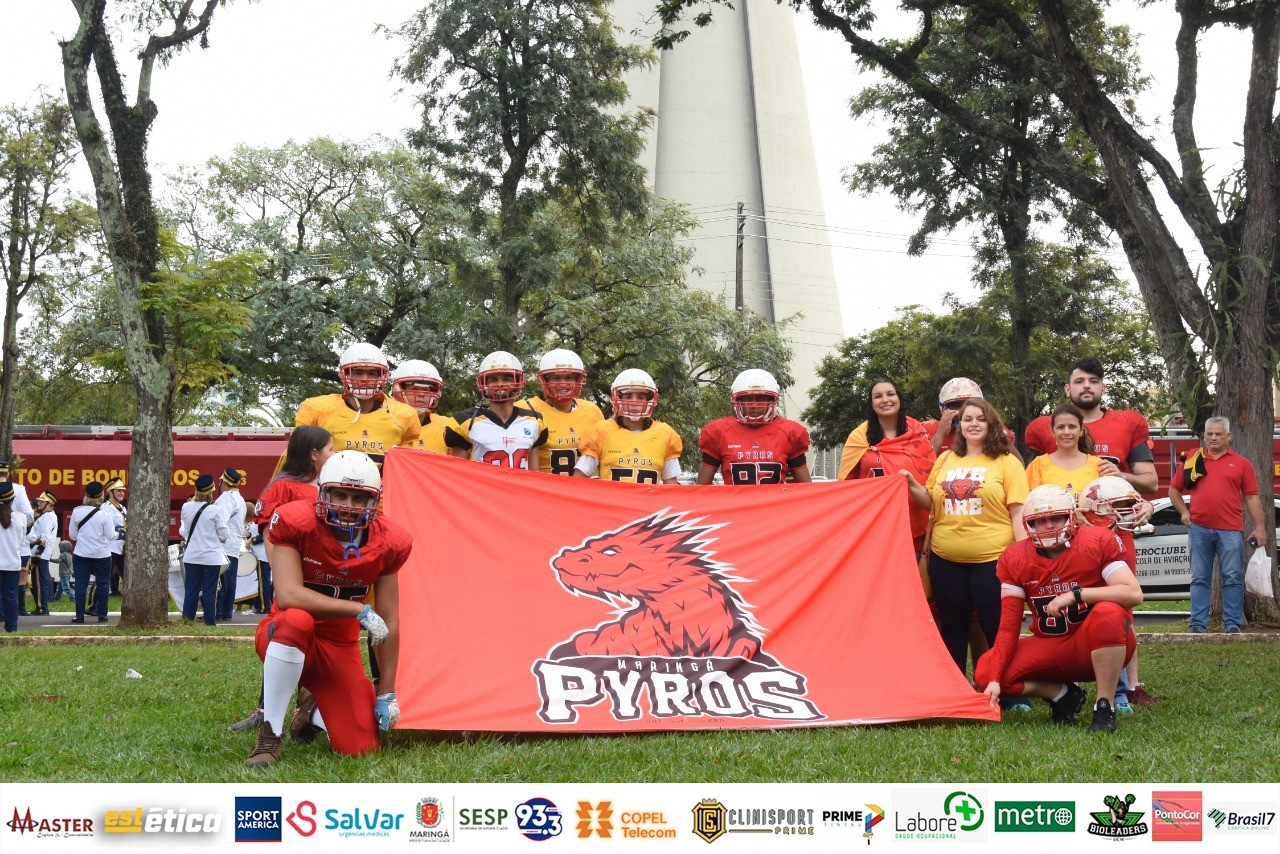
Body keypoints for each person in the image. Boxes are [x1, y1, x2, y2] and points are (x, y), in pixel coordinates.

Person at [245, 451, 412, 767]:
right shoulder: (296, 521)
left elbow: (390, 618)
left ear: (373, 501)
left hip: (339, 646)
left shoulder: (390, 540)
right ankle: (271, 734)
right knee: (297, 620)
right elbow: (290, 594)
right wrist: (356, 611)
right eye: (340, 494)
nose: (348, 506)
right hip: (284, 633)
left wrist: (387, 691)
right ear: (323, 492)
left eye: (359, 498)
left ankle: (313, 712)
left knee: (360, 747)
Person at [975, 484, 1144, 732]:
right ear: (1028, 525)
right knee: (986, 672)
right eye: (1041, 521)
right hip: (1052, 644)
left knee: (1109, 612)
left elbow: (1133, 593)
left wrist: (1077, 595)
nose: (1050, 526)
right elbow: (1009, 626)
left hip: (1098, 642)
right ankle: (1063, 695)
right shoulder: (1015, 558)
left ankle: (1104, 705)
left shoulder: (1096, 541)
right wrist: (995, 680)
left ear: (1071, 517)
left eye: (1057, 518)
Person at [903, 398, 1028, 675]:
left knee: (996, 627)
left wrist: (1023, 557)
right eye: (967, 419)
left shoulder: (1007, 462)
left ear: (992, 424)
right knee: (952, 628)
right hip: (945, 560)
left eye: (980, 419)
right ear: (959, 426)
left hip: (994, 561)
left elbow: (1017, 512)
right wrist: (912, 484)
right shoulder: (946, 458)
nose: (973, 424)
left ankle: (1010, 691)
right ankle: (956, 690)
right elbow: (931, 502)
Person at [229, 426, 334, 732]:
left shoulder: (328, 484)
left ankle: (310, 706)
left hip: (324, 577)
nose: (333, 454)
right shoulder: (283, 486)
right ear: (313, 454)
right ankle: (265, 710)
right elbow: (269, 532)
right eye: (329, 449)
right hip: (294, 580)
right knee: (284, 637)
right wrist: (283, 573)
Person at [1169, 416, 1266, 634]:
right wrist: (1184, 512)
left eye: (1218, 434)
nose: (1213, 438)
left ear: (1228, 436)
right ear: (1204, 435)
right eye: (1209, 434)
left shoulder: (1242, 463)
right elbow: (1173, 490)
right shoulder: (1193, 459)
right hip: (1199, 529)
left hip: (1231, 530)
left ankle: (1232, 624)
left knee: (1232, 577)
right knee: (1199, 578)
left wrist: (1260, 527)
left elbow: (1251, 497)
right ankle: (1198, 625)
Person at [1024, 356, 1158, 495]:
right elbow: (1029, 487)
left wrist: (1121, 476)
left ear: (1103, 388)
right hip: (1060, 513)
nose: (1086, 385)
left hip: (1111, 512)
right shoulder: (1043, 427)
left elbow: (1151, 484)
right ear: (1068, 389)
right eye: (1079, 381)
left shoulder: (1128, 424)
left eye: (1093, 381)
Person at [1079, 474, 1155, 708]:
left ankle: (1121, 691)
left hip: (1112, 536)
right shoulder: (1043, 463)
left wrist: (1148, 504)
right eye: (1119, 509)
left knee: (1119, 615)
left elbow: (1145, 486)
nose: (1067, 433)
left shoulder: (1098, 464)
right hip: (1080, 537)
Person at [836, 377, 932, 550]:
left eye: (890, 394)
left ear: (899, 399)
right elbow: (847, 485)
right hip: (874, 525)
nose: (885, 400)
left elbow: (931, 473)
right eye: (878, 396)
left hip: (915, 527)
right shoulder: (859, 437)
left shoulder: (916, 430)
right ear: (871, 403)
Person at [295, 342, 420, 467]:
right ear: (344, 375)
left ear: (382, 376)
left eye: (372, 373)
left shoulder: (404, 414)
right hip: (330, 484)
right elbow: (299, 460)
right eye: (358, 372)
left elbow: (408, 465)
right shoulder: (318, 409)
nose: (365, 379)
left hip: (384, 484)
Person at [698, 369, 812, 486]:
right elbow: (701, 489)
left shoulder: (790, 432)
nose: (754, 405)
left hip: (774, 503)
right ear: (737, 401)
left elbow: (807, 489)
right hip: (736, 503)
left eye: (760, 398)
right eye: (748, 399)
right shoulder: (719, 432)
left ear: (773, 401)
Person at [575, 369, 682, 484]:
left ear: (650, 399)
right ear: (617, 398)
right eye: (628, 396)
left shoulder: (665, 434)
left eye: (640, 397)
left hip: (647, 502)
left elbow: (671, 486)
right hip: (612, 501)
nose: (634, 402)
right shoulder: (601, 431)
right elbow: (578, 480)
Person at [445, 351, 547, 469]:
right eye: (493, 380)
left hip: (519, 487)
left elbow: (535, 474)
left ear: (519, 381)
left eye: (507, 378)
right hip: (482, 487)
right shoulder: (465, 422)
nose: (500, 384)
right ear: (483, 384)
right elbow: (458, 474)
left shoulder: (534, 421)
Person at [528, 349, 605, 476]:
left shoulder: (592, 411)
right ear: (544, 381)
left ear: (578, 380)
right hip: (544, 490)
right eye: (556, 378)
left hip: (579, 492)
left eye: (569, 377)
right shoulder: (528, 410)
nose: (563, 383)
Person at [180, 474, 230, 626]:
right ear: (211, 491)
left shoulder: (186, 507)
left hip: (191, 555)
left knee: (191, 591)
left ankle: (187, 621)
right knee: (209, 591)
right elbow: (224, 534)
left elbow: (184, 531)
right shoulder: (217, 510)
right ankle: (209, 622)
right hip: (211, 556)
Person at [68, 481, 120, 624]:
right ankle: (102, 615)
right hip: (102, 555)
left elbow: (72, 535)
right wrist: (118, 534)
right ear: (101, 496)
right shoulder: (104, 514)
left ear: (85, 495)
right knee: (103, 584)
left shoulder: (77, 511)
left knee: (81, 585)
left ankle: (79, 616)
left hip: (81, 554)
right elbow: (110, 536)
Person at [1025, 404, 1102, 500]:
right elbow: (1028, 505)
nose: (1066, 432)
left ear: (1081, 430)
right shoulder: (1038, 465)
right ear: (1052, 432)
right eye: (1061, 427)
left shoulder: (1098, 465)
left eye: (1072, 427)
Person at [390, 359, 456, 454]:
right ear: (397, 389)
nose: (421, 394)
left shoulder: (447, 427)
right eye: (414, 389)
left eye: (426, 390)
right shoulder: (384, 421)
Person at [215, 468, 248, 621]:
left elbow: (221, 519)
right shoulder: (240, 499)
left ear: (224, 482)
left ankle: (218, 612)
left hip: (224, 544)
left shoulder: (226, 498)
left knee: (221, 580)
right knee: (230, 579)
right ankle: (227, 612)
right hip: (235, 544)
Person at [0, 481, 29, 632]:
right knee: (11, 597)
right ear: (12, 500)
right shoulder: (20, 518)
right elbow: (22, 542)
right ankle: (11, 627)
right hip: (12, 564)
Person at [25, 491, 59, 616]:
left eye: (42, 501)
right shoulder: (46, 516)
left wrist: (39, 551)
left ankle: (41, 608)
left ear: (49, 504)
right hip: (39, 552)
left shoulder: (48, 517)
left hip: (40, 553)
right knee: (39, 582)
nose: (39, 502)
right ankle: (41, 607)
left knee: (39, 583)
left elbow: (45, 537)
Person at [103, 477, 127, 596]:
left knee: (127, 577)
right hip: (110, 548)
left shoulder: (122, 508)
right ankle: (94, 604)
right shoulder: (106, 508)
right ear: (110, 492)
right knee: (104, 576)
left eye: (122, 491)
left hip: (122, 548)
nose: (122, 493)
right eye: (118, 491)